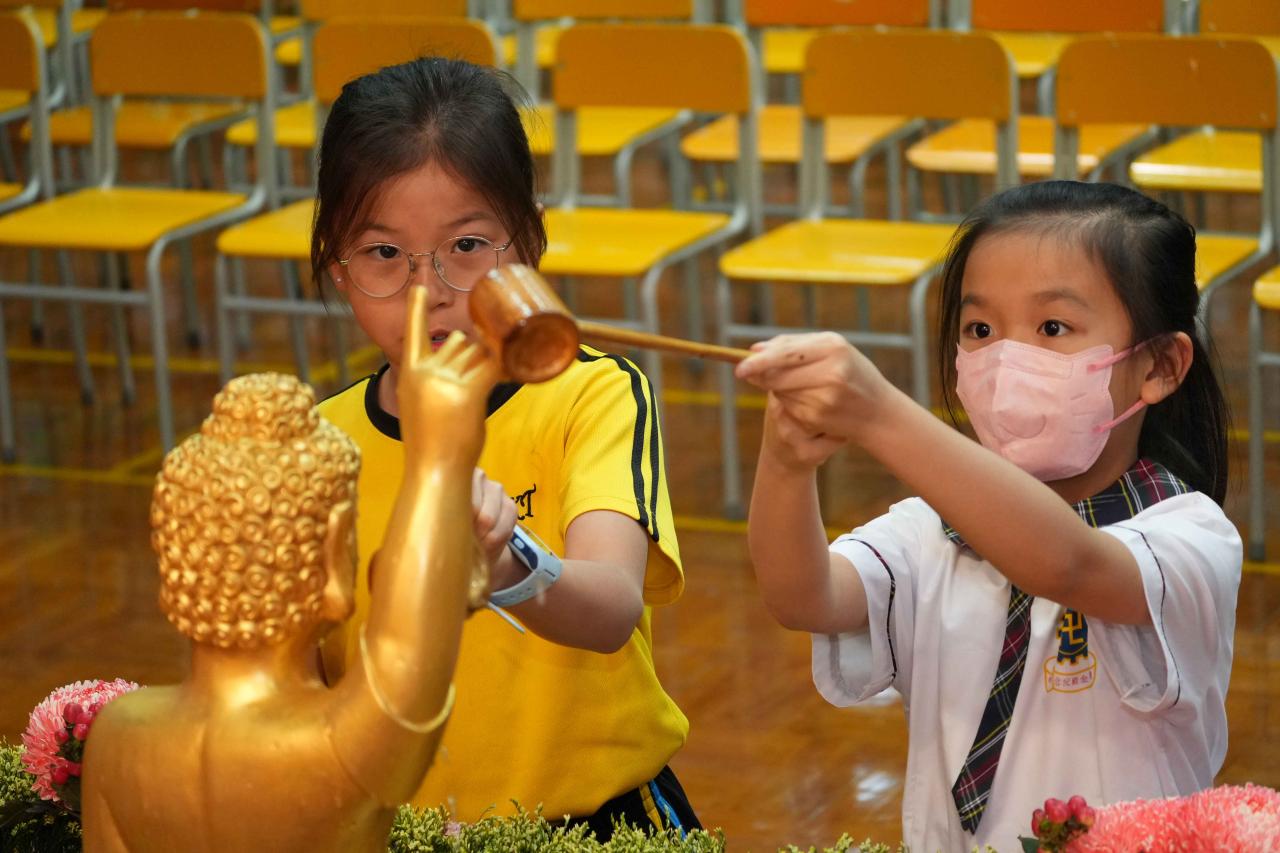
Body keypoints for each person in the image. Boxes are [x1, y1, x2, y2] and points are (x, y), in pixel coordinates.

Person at [737, 181, 1241, 852]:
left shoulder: (1188, 535)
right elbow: (801, 596)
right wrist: (785, 464)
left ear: (1159, 365)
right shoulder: (930, 529)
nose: (1006, 359)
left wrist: (880, 414)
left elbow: (1067, 564)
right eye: (980, 330)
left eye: (1052, 328)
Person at [309, 57, 697, 837]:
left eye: (467, 244)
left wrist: (510, 563)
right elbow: (307, 687)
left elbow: (612, 609)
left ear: (529, 243)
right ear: (336, 267)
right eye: (384, 254)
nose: (429, 292)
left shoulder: (592, 395)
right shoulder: (317, 446)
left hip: (597, 825)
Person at [82, 291, 498, 852]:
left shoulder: (117, 736)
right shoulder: (332, 749)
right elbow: (404, 655)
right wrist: (438, 457)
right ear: (331, 555)